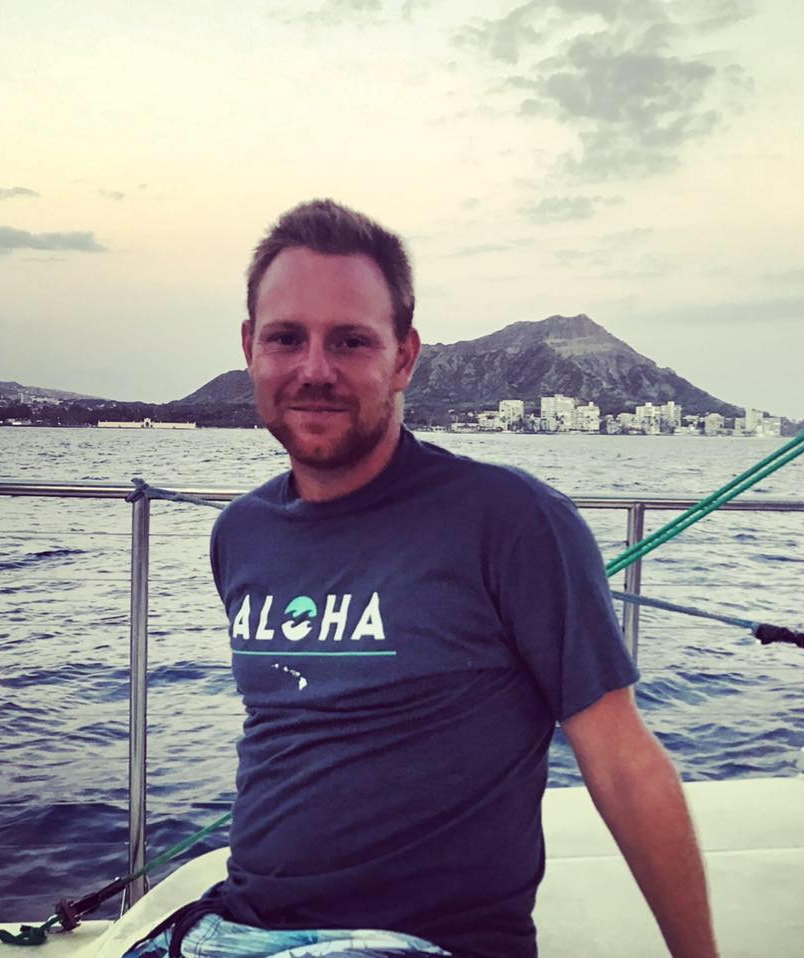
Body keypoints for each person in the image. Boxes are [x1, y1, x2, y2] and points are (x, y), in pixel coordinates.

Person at [125, 199, 718, 958]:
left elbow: (622, 759)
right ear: (250, 347)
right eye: (286, 338)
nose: (314, 370)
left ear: (404, 358)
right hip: (238, 929)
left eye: (350, 341)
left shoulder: (511, 522)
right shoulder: (240, 534)